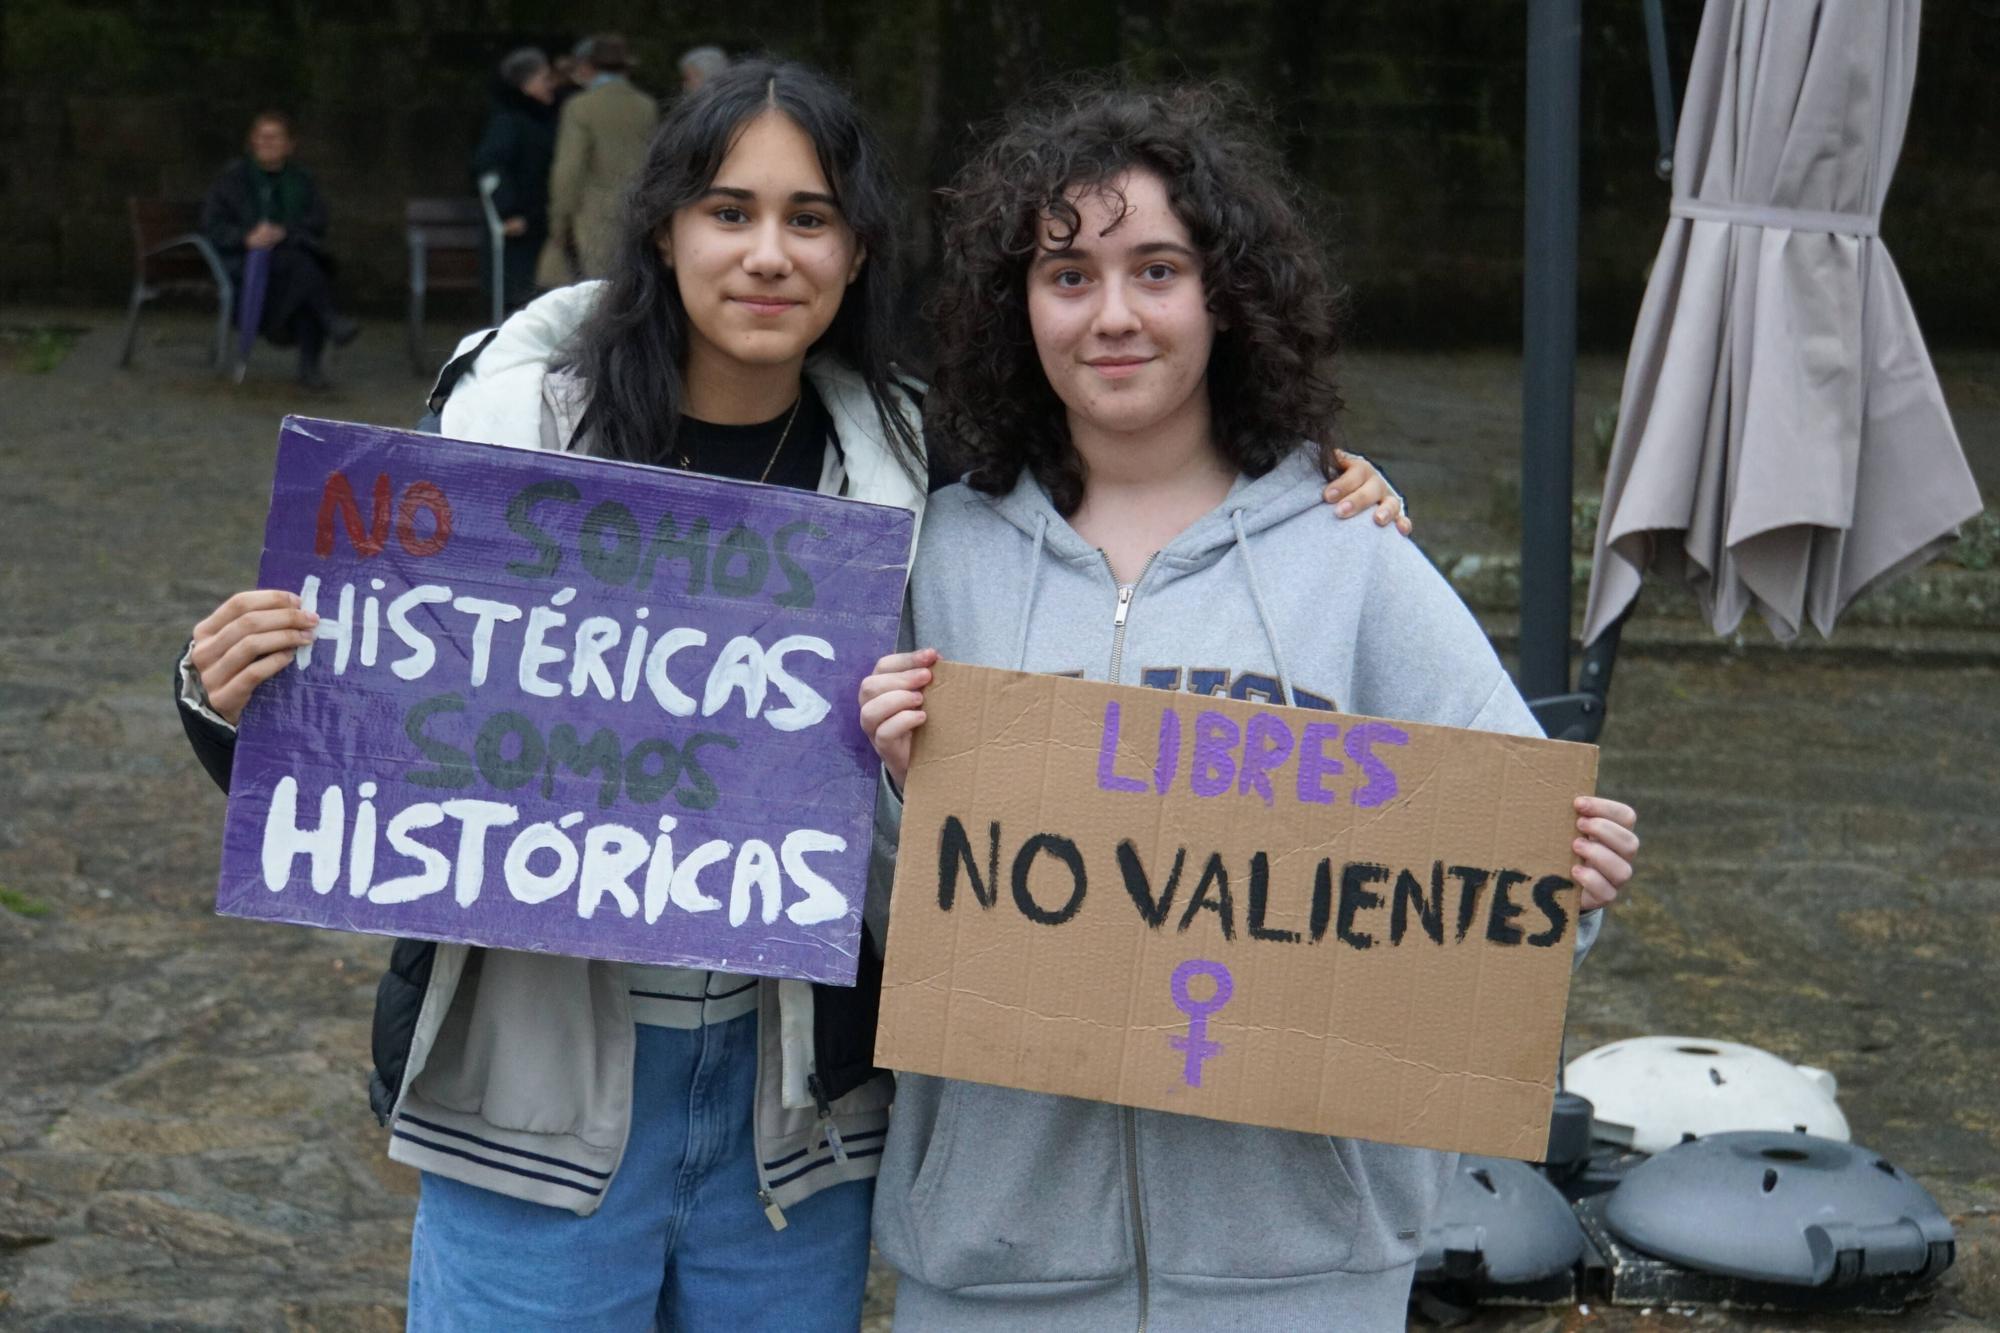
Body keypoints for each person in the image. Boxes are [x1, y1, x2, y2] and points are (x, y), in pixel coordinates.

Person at [172, 63, 1403, 1331]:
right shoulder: (501, 453)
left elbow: (1121, 513)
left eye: (809, 218)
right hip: (532, 1098)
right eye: (729, 211)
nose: (768, 254)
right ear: (663, 228)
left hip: (799, 1120)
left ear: (858, 249)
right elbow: (359, 752)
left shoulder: (924, 478)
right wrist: (230, 689)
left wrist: (1309, 484)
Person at [857, 82, 1641, 1330]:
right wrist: (900, 792)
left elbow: (1485, 900)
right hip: (994, 1256)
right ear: (1016, 307)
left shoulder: (1349, 551)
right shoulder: (932, 559)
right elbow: (882, 925)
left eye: (1156, 269)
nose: (1113, 314)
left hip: (1300, 1266)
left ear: (1223, 295)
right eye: (1067, 275)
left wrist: (1569, 887)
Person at [200, 111, 357, 387]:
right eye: (262, 137)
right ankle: (328, 324)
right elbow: (213, 225)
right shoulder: (233, 179)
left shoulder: (301, 180)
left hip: (289, 256)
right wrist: (248, 237)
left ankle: (312, 360)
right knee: (307, 269)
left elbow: (317, 220)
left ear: (289, 145)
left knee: (304, 266)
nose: (268, 142)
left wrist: (282, 232)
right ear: (252, 142)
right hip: (244, 262)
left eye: (275, 137)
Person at [546, 32, 659, 282]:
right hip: (637, 213)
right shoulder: (646, 106)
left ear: (587, 67)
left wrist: (559, 221)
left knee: (594, 295)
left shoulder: (580, 107)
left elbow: (569, 169)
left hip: (591, 216)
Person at [472, 47, 560, 312]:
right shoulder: (509, 121)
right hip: (520, 227)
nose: (550, 85)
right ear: (526, 84)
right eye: (544, 78)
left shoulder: (539, 118)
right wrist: (509, 212)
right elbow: (490, 166)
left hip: (535, 221)